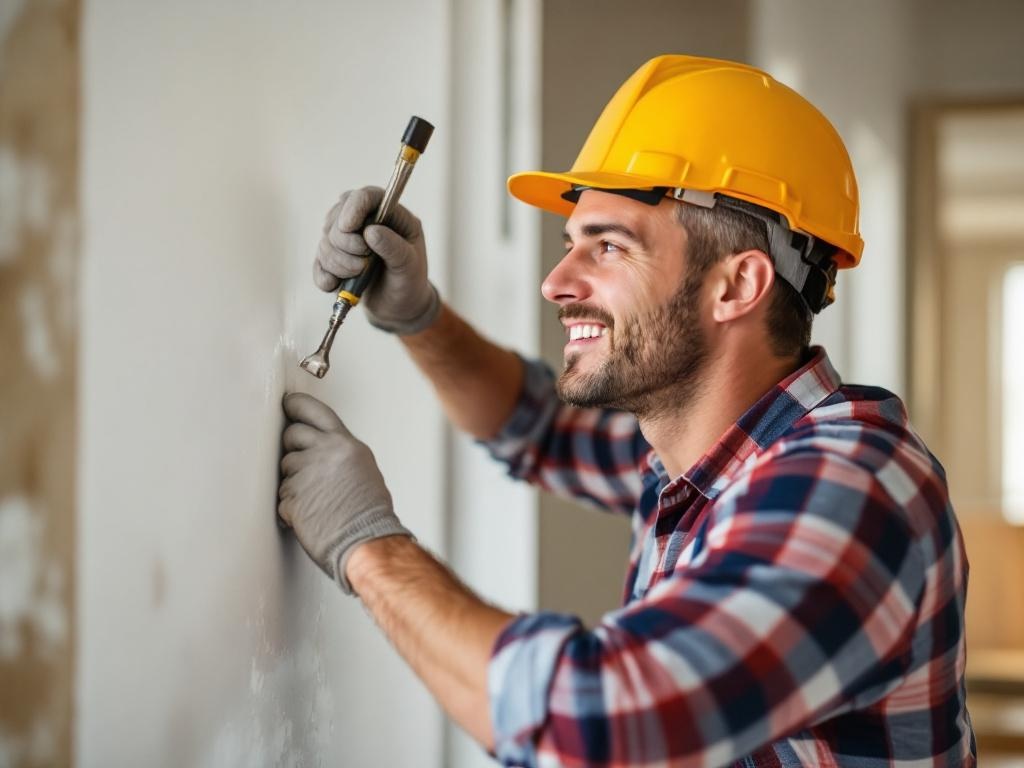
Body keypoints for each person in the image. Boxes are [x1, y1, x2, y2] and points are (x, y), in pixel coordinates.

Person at [277, 55, 976, 766]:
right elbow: (538, 428)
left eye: (608, 247)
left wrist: (365, 545)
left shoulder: (849, 489)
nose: (556, 283)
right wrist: (415, 314)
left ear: (736, 286)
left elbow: (601, 729)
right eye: (570, 244)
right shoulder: (703, 450)